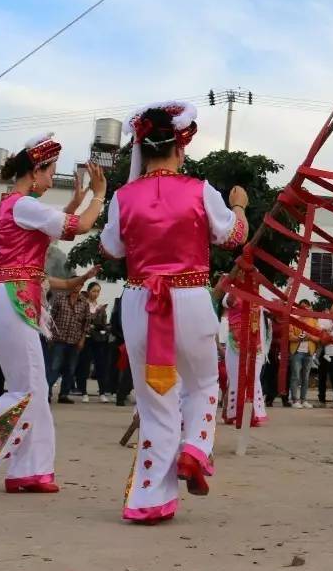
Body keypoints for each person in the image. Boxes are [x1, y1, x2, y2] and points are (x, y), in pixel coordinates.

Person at [100, 100, 248, 523]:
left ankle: (149, 499)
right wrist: (238, 206)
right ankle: (195, 449)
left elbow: (111, 248)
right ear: (180, 149)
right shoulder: (200, 190)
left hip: (139, 298)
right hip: (189, 297)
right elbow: (233, 236)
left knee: (154, 402)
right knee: (203, 383)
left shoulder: (124, 197)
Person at [0, 135, 104, 493]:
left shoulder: (15, 205)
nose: (51, 178)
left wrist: (78, 199)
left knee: (34, 390)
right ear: (36, 170)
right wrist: (99, 195)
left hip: (11, 299)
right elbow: (79, 227)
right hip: (14, 300)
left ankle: (31, 469)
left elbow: (55, 225)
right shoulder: (22, 205)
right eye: (50, 171)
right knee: (26, 390)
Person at [223, 281, 270, 427]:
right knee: (237, 379)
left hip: (256, 345)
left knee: (253, 379)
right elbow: (228, 302)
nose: (254, 282)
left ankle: (253, 414)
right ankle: (235, 413)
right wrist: (233, 285)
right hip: (236, 343)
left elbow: (275, 311)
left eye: (256, 280)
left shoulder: (259, 300)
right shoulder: (232, 294)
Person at [46, 287, 92, 405]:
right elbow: (51, 318)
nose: (76, 287)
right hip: (58, 339)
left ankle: (64, 394)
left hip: (74, 340)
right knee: (54, 367)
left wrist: (82, 340)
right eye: (74, 284)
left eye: (79, 284)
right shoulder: (60, 299)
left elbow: (86, 324)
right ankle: (47, 393)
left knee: (70, 369)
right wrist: (49, 335)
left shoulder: (84, 303)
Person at [288, 300, 318, 409]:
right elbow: (289, 336)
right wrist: (299, 338)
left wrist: (310, 337)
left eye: (306, 307)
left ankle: (304, 400)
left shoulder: (314, 322)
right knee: (295, 376)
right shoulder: (294, 321)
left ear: (310, 308)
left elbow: (319, 337)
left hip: (309, 353)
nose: (304, 309)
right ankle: (294, 400)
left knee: (305, 377)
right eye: (302, 307)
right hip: (297, 352)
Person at [86, 298, 113, 402]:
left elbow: (104, 324)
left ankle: (102, 392)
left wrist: (97, 325)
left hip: (99, 340)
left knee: (100, 366)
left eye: (97, 291)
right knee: (85, 366)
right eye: (93, 291)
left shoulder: (101, 308)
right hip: (87, 339)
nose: (95, 294)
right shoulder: (85, 305)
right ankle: (84, 392)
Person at [316, 314, 333, 408]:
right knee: (322, 377)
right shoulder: (324, 319)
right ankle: (321, 400)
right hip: (324, 352)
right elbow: (321, 332)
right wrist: (329, 329)